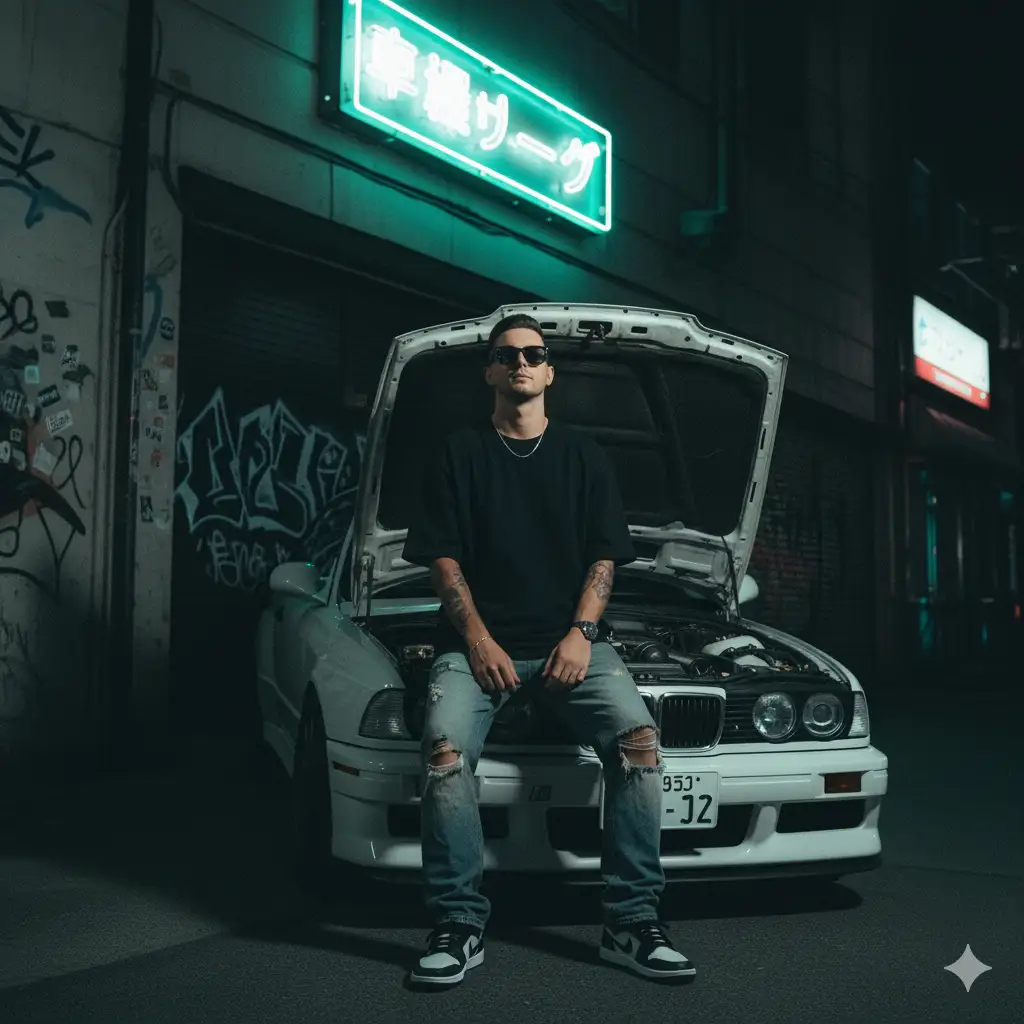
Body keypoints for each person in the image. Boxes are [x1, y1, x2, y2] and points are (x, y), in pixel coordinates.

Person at [401, 313, 695, 987]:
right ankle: (458, 924)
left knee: (640, 740)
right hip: (477, 649)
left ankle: (630, 923)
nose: (521, 364)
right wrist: (476, 641)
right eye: (507, 355)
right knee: (443, 750)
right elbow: (442, 560)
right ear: (490, 371)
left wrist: (581, 634)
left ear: (551, 371)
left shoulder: (583, 456)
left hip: (571, 646)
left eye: (534, 354)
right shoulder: (459, 453)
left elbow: (604, 560)